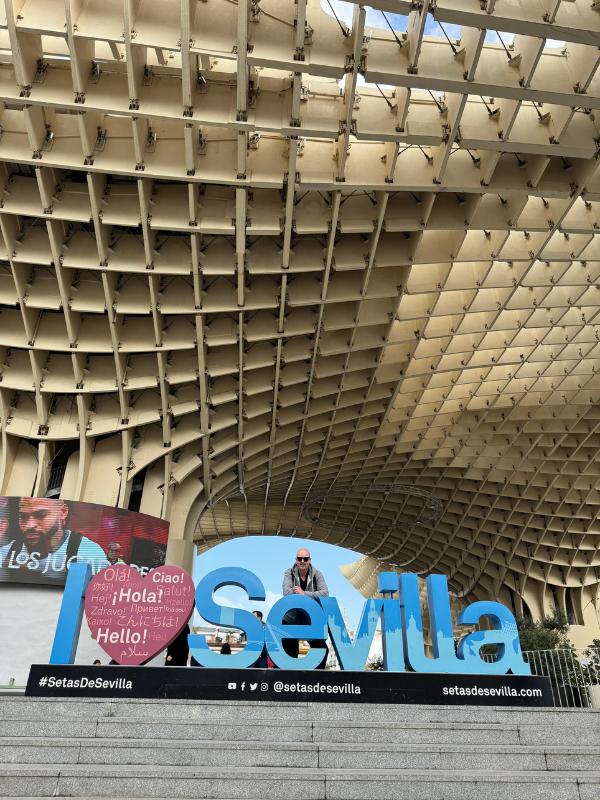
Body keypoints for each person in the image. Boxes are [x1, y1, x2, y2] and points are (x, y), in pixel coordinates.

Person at [0, 497, 108, 584]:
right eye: (23, 516)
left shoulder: (88, 553)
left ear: (63, 512)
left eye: (40, 515)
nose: (30, 525)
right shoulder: (6, 553)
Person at [282, 548, 329, 668]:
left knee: (322, 650)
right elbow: (286, 593)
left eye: (305, 559)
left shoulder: (317, 574)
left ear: (310, 560)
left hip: (310, 619)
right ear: (296, 560)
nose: (302, 561)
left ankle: (315, 682)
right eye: (299, 558)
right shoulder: (289, 573)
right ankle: (291, 682)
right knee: (290, 652)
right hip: (291, 619)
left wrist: (304, 593)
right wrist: (313, 595)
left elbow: (325, 593)